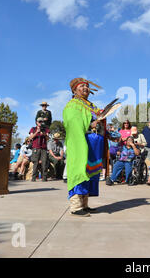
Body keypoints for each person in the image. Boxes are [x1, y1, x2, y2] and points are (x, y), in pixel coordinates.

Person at [63, 77, 106, 217]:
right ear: (74, 90)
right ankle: (75, 207)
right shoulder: (72, 105)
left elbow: (98, 118)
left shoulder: (91, 105)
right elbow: (72, 122)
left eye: (87, 86)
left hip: (94, 143)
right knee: (79, 171)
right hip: (81, 143)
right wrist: (90, 124)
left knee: (89, 173)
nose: (85, 88)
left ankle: (84, 204)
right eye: (82, 86)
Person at [29, 117, 50, 182]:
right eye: (39, 122)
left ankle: (44, 178)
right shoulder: (33, 129)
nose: (40, 123)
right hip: (35, 148)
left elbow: (48, 138)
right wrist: (36, 132)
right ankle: (33, 178)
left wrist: (44, 134)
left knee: (44, 162)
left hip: (43, 148)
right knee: (35, 163)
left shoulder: (46, 129)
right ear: (36, 122)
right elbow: (30, 138)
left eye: (42, 121)